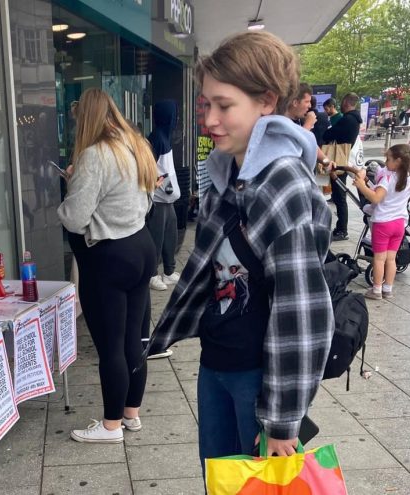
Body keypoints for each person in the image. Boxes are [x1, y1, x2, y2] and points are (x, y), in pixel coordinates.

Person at [145, 31, 334, 473]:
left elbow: (302, 309)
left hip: (259, 377)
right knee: (223, 479)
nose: (209, 118)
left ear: (266, 102)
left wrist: (284, 419)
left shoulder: (281, 181)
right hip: (217, 365)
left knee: (257, 484)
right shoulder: (227, 172)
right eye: (205, 104)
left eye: (223, 105)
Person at [58, 88, 157, 443]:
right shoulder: (135, 145)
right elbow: (146, 203)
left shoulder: (94, 155)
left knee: (110, 345)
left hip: (110, 257)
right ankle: (131, 414)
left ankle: (111, 425)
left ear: (85, 118)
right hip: (141, 247)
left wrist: (70, 186)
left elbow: (74, 217)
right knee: (134, 337)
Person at [353, 144, 410, 300]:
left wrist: (362, 185)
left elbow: (375, 198)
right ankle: (388, 289)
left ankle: (376, 290)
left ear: (398, 161)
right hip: (400, 224)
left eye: (388, 159)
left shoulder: (388, 178)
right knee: (391, 259)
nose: (386, 162)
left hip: (383, 223)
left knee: (379, 259)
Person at [147, 100, 182, 291]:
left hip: (166, 198)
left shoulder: (164, 136)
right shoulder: (157, 138)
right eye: (173, 114)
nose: (175, 118)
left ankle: (168, 271)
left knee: (170, 235)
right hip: (159, 199)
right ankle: (152, 274)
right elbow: (150, 168)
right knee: (156, 238)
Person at [324, 92, 362, 241]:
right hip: (345, 160)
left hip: (340, 161)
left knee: (340, 197)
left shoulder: (347, 120)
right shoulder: (356, 119)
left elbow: (328, 134)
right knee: (340, 196)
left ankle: (342, 230)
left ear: (346, 103)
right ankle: (341, 228)